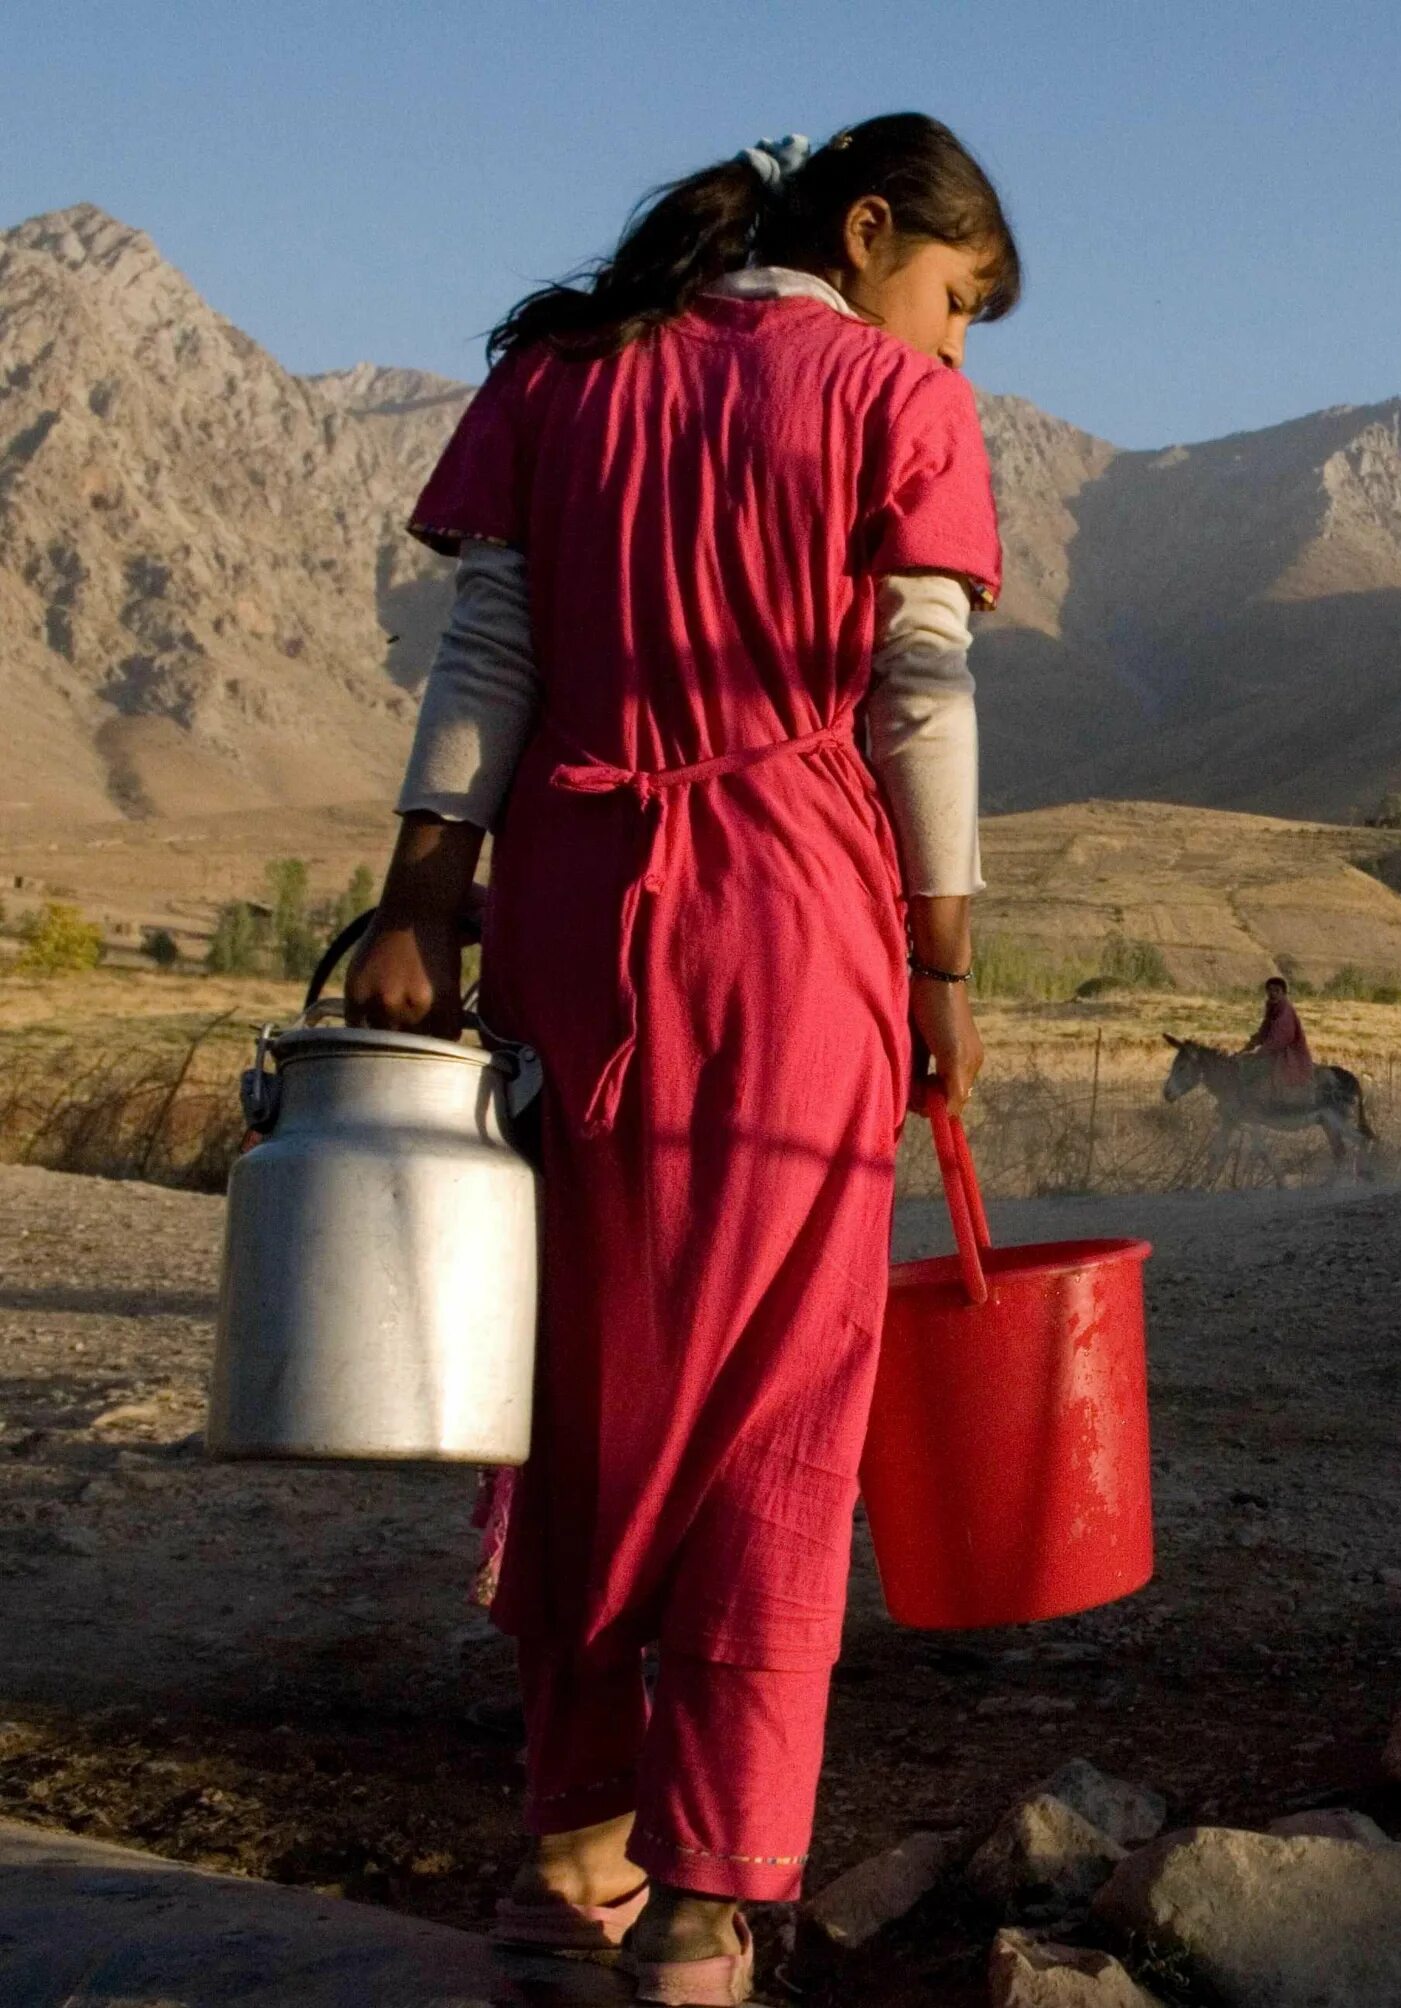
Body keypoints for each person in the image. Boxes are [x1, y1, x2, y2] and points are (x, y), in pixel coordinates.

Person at [344, 116, 1018, 1997]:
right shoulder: (889, 400)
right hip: (796, 929)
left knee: (582, 1378)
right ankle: (714, 1897)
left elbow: (485, 652)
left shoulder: (563, 373)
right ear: (869, 233)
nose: (957, 351)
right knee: (780, 1404)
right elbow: (918, 692)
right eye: (957, 301)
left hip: (568, 918)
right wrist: (943, 961)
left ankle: (573, 1852)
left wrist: (422, 895)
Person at [1240, 974, 1314, 1106]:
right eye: (1270, 990)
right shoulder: (1272, 1008)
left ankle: (1271, 1107)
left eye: (1276, 990)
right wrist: (1249, 1046)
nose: (1272, 993)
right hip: (1276, 1050)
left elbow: (1280, 1038)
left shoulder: (1285, 1010)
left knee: (1261, 1071)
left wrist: (1259, 1053)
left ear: (1283, 993)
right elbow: (1264, 1030)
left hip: (1290, 1054)